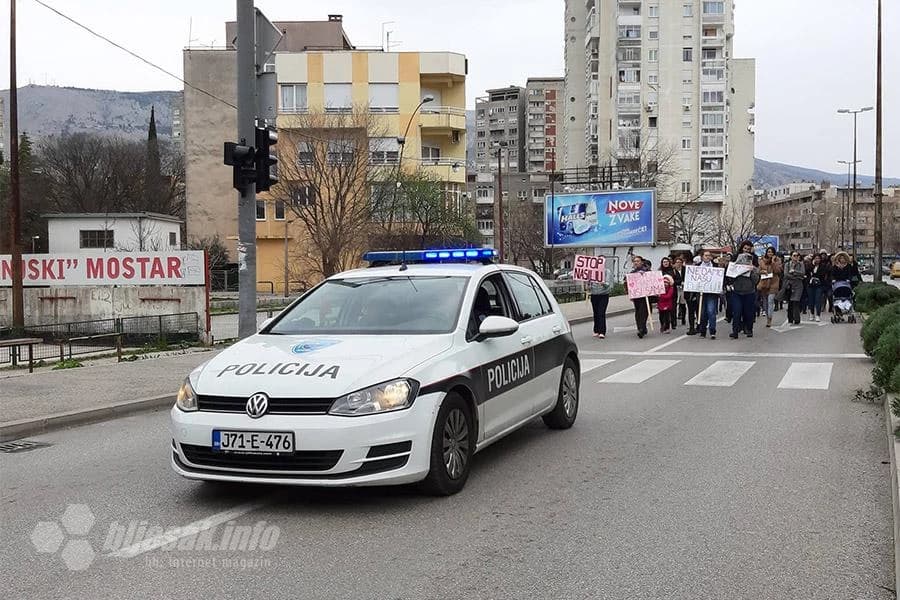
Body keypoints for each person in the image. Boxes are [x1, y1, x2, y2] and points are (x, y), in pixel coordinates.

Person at [727, 253, 761, 339]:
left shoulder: (754, 269)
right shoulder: (735, 267)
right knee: (736, 312)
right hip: (737, 292)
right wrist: (736, 271)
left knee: (748, 312)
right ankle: (735, 331)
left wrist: (751, 271)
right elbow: (730, 278)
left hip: (749, 292)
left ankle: (749, 329)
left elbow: (756, 281)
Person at [697, 250, 721, 339]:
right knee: (702, 313)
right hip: (701, 293)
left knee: (711, 311)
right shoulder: (697, 266)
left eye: (709, 255)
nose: (707, 257)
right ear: (702, 257)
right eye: (705, 255)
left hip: (712, 293)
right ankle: (702, 331)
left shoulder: (715, 266)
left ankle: (712, 331)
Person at [625, 255, 651, 338]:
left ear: (641, 262)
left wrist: (644, 275)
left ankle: (641, 328)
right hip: (637, 296)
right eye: (635, 261)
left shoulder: (647, 270)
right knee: (638, 312)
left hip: (645, 295)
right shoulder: (632, 273)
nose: (636, 263)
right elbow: (627, 283)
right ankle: (641, 327)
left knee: (644, 312)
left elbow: (652, 280)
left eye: (638, 261)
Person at [757, 247, 782, 327]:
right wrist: (762, 271)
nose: (770, 253)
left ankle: (769, 319)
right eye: (768, 252)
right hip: (764, 282)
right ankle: (767, 314)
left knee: (770, 300)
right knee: (765, 302)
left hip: (774, 282)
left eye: (771, 252)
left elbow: (778, 271)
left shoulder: (777, 260)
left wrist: (773, 262)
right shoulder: (762, 261)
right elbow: (758, 271)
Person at [588, 263, 614, 339]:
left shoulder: (606, 271)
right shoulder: (592, 272)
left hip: (603, 295)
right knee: (595, 312)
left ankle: (602, 331)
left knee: (601, 312)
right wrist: (588, 284)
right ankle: (596, 330)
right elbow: (589, 284)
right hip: (594, 294)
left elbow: (608, 284)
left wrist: (603, 283)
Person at [783, 251, 806, 325]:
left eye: (797, 255)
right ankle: (790, 318)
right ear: (791, 256)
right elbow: (786, 274)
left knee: (796, 301)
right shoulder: (787, 264)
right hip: (789, 285)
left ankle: (797, 319)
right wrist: (796, 276)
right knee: (790, 302)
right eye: (794, 255)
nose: (795, 257)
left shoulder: (801, 264)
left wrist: (794, 271)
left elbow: (802, 273)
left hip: (798, 285)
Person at [806, 254, 826, 321]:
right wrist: (813, 266)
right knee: (811, 300)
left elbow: (822, 275)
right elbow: (807, 272)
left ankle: (818, 314)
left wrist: (815, 275)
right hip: (810, 285)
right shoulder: (810, 265)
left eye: (818, 258)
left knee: (818, 300)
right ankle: (811, 314)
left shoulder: (822, 266)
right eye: (816, 258)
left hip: (819, 285)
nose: (817, 260)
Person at [672, 256, 687, 325]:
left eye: (680, 262)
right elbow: (672, 280)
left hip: (683, 288)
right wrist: (679, 282)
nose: (678, 264)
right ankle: (674, 320)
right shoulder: (673, 270)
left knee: (683, 304)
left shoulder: (685, 269)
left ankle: (683, 318)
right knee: (675, 305)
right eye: (677, 262)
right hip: (676, 288)